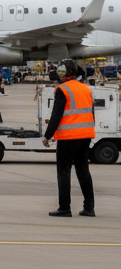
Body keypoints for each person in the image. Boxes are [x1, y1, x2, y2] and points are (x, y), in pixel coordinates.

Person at [42, 59, 95, 217]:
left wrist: (47, 136)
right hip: (85, 135)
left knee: (64, 171)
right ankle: (89, 208)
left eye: (60, 71)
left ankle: (64, 207)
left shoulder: (62, 89)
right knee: (83, 171)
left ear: (65, 73)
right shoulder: (86, 88)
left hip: (68, 137)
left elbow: (56, 115)